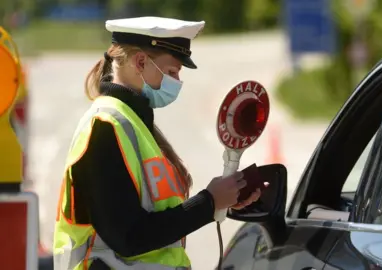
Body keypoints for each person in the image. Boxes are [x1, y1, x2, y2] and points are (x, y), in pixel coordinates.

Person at [53, 16, 262, 270]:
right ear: (140, 61)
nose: (177, 82)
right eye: (172, 72)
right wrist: (208, 204)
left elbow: (159, 219)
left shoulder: (134, 124)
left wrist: (221, 200)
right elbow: (129, 236)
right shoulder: (106, 127)